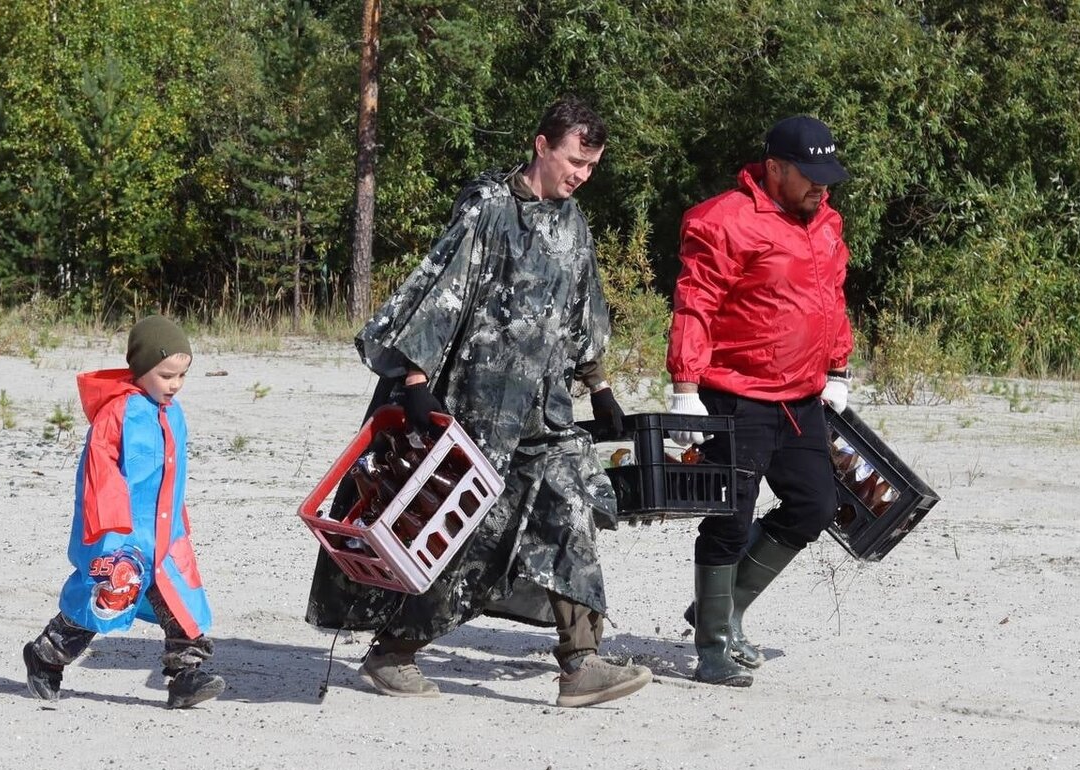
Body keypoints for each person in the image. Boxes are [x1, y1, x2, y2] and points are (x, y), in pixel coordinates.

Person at [306, 97, 652, 708]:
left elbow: (581, 307)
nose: (580, 176)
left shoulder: (574, 223)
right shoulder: (489, 207)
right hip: (478, 407)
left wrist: (598, 385)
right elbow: (441, 287)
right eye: (575, 161)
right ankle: (392, 653)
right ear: (542, 145)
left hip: (545, 412)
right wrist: (414, 380)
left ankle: (581, 661)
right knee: (460, 533)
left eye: (591, 166)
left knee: (571, 505)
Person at [666, 115, 854, 687]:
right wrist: (685, 389)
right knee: (728, 519)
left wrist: (838, 368)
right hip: (734, 395)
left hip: (800, 398)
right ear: (773, 168)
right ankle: (714, 645)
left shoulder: (825, 222)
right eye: (810, 174)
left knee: (815, 506)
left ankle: (718, 608)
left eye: (828, 175)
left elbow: (832, 298)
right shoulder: (721, 222)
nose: (822, 186)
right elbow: (694, 303)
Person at [22, 315, 225, 709]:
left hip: (165, 534)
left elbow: (173, 475)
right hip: (120, 534)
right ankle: (47, 655)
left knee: (181, 602)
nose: (176, 384)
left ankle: (185, 676)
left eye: (182, 375)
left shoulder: (173, 413)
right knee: (105, 597)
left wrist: (179, 521)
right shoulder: (117, 414)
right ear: (142, 368)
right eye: (167, 375)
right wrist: (111, 532)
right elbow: (99, 474)